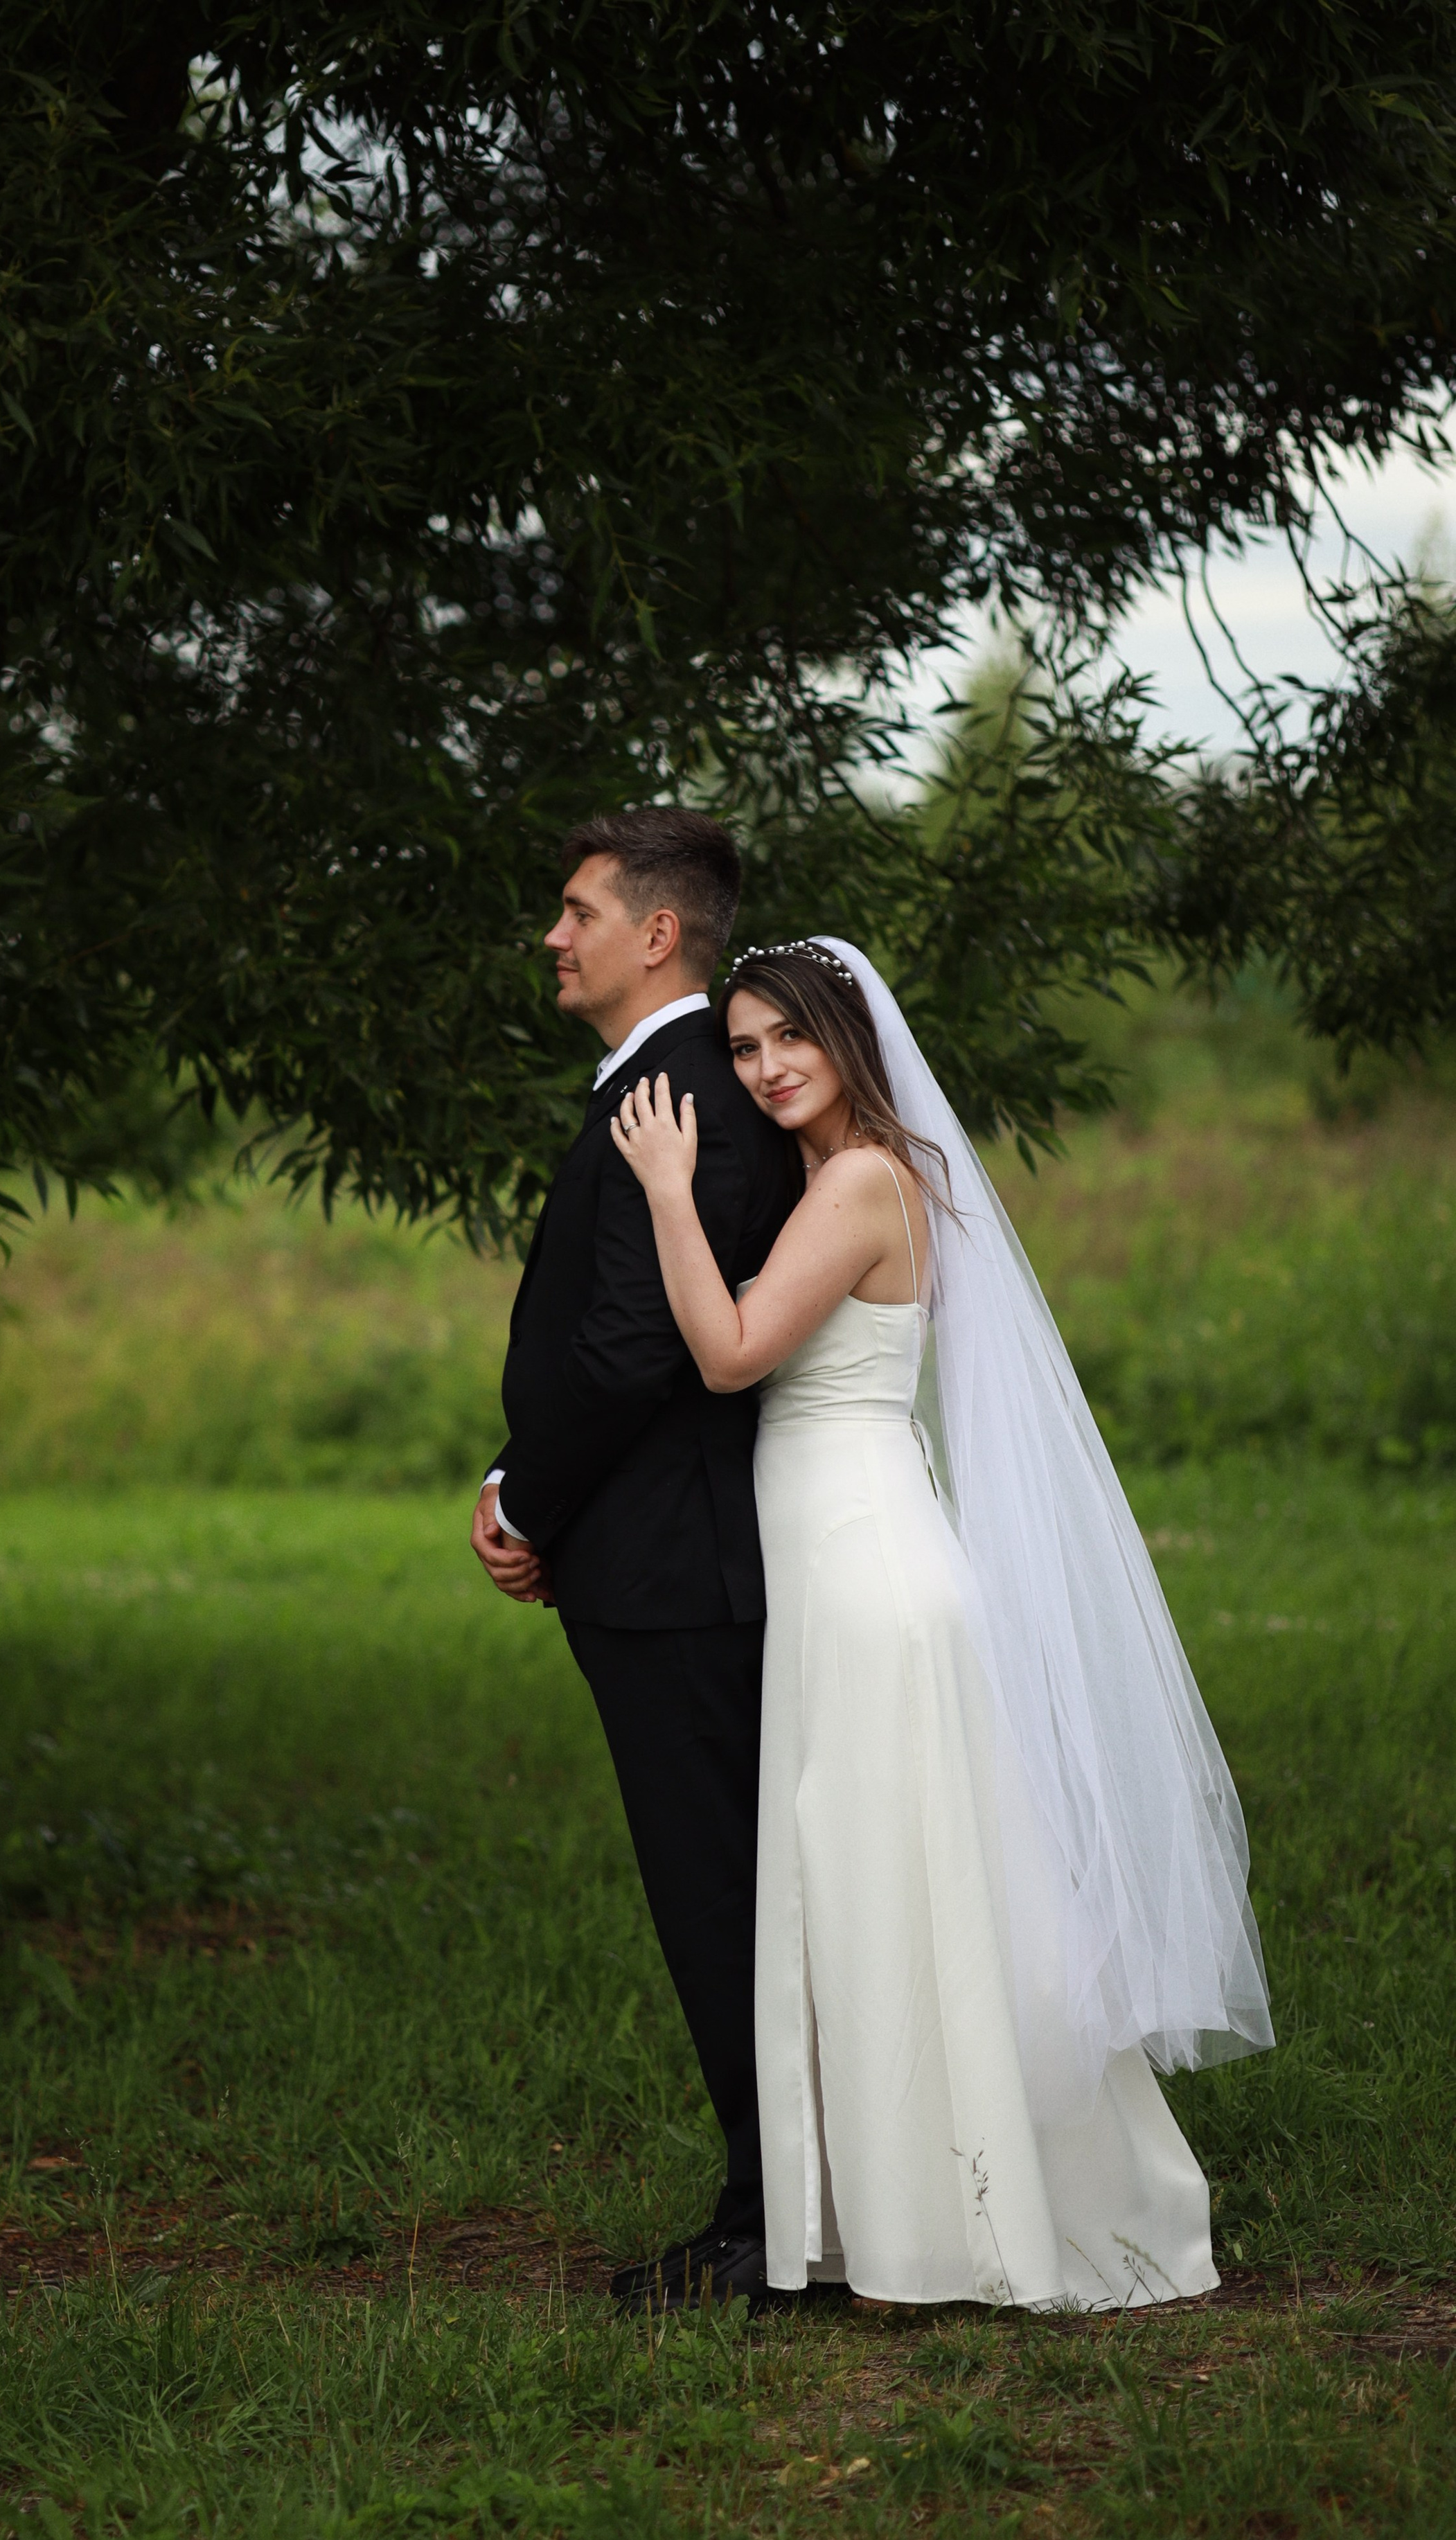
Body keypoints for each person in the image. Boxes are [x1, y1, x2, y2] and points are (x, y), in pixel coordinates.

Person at [611, 937, 1272, 2310]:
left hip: (864, 1574)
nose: (763, 1067)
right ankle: (903, 2207)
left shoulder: (858, 1180)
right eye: (740, 1048)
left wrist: (668, 1192)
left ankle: (961, 2221)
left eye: (786, 1037)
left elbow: (733, 1352)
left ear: (850, 1040)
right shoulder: (846, 1176)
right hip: (849, 1556)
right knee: (893, 1891)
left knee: (897, 1893)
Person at [470, 810, 796, 2313]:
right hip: (660, 1561)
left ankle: (766, 2230)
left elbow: (627, 1350)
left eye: (576, 908)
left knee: (719, 1897)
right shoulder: (661, 1087)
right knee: (724, 1890)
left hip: (678, 1575)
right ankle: (782, 2201)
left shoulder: (685, 1101)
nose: (555, 934)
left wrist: (526, 1503)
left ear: (653, 932)